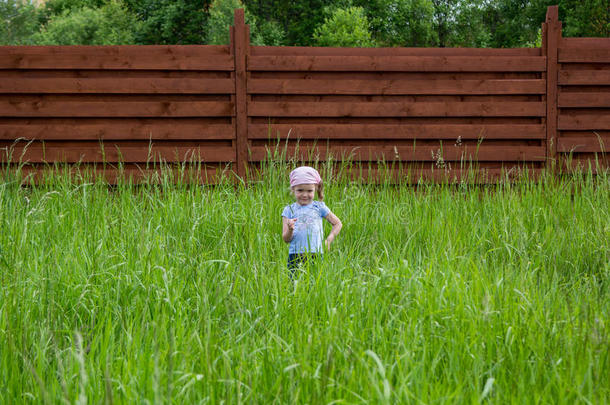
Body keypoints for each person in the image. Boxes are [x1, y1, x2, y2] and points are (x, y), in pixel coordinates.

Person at [281, 166, 342, 276]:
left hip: (316, 254)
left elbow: (337, 223)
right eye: (300, 190)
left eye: (309, 191)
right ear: (293, 189)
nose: (305, 194)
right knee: (294, 286)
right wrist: (290, 229)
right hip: (295, 255)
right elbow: (286, 239)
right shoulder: (288, 210)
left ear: (316, 189)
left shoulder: (319, 207)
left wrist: (328, 240)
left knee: (315, 286)